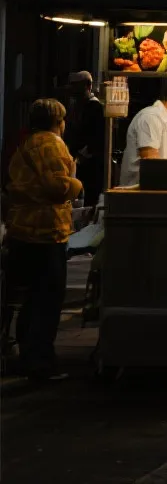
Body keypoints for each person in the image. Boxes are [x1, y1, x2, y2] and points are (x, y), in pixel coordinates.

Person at [3, 99, 83, 380]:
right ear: (58, 122)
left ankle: (28, 356)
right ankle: (39, 363)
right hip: (45, 231)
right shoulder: (50, 144)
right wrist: (76, 183)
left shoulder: (27, 142)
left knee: (29, 299)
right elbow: (58, 187)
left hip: (22, 229)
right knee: (46, 300)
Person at [64, 72, 106, 206]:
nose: (73, 90)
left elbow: (97, 136)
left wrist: (82, 155)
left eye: (76, 86)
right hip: (80, 161)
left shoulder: (95, 107)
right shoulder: (78, 106)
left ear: (87, 86)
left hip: (90, 163)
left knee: (89, 198)